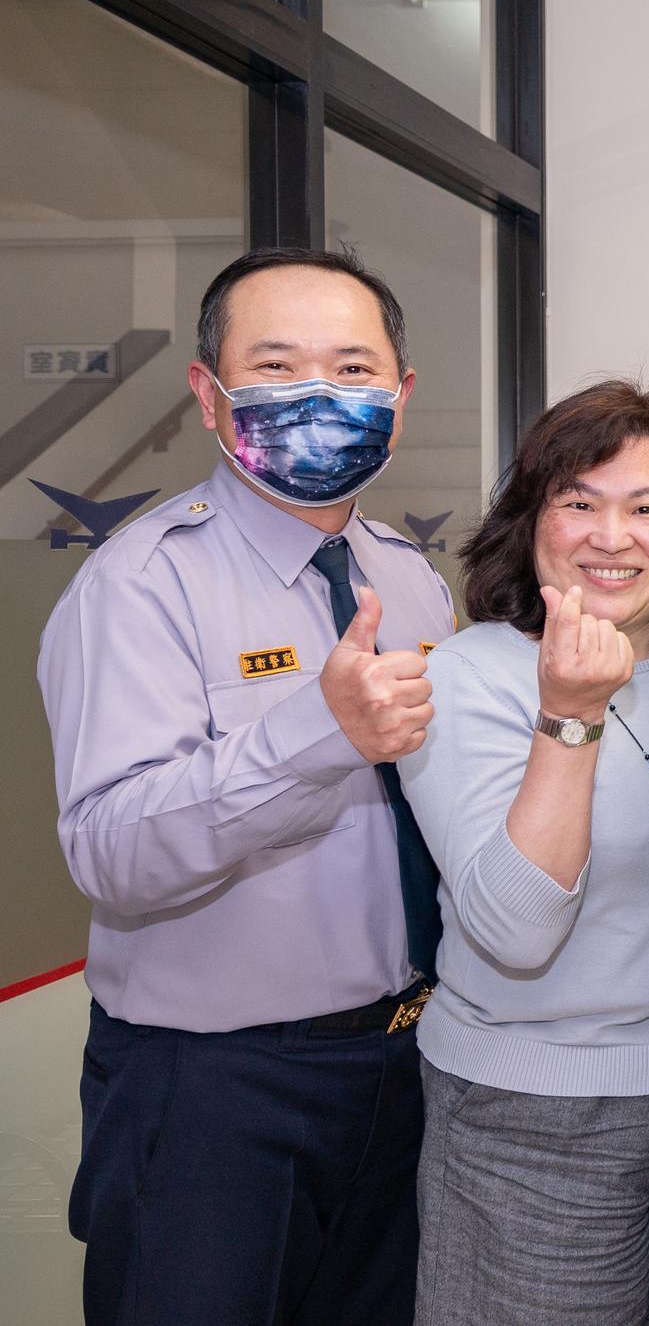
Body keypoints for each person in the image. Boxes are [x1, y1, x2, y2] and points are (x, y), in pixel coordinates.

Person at [38, 246, 453, 1324]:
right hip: (212, 1094)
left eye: (353, 368)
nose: (321, 394)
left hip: (401, 1071)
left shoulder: (408, 576)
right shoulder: (140, 584)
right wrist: (315, 732)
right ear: (209, 394)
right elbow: (112, 852)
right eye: (277, 366)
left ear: (399, 400)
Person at [398, 381, 649, 1324]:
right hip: (526, 1119)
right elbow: (515, 930)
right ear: (530, 523)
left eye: (647, 507)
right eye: (579, 503)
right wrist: (570, 714)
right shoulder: (465, 676)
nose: (614, 537)